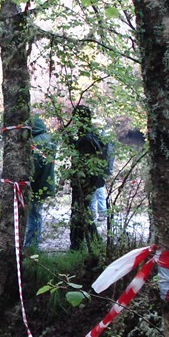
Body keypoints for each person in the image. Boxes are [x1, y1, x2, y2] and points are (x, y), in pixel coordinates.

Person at [68, 105, 105, 250]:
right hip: (88, 183)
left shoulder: (86, 139)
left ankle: (80, 246)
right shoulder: (92, 135)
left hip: (83, 184)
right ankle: (91, 245)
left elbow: (83, 162)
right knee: (83, 214)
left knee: (80, 215)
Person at [24, 117, 57, 249]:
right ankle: (32, 245)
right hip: (45, 183)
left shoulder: (36, 143)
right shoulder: (48, 139)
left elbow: (34, 168)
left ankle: (31, 247)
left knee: (33, 217)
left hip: (37, 185)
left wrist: (27, 182)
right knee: (36, 214)